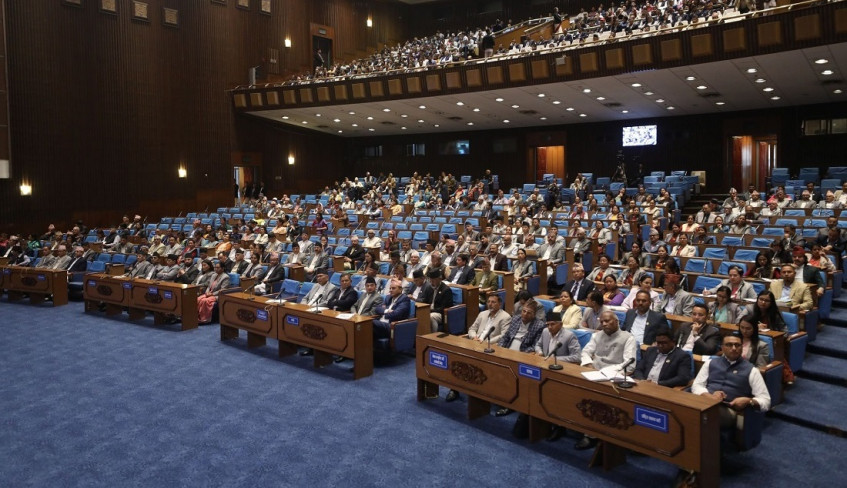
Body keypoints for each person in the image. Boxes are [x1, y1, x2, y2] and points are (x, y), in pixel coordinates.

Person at [575, 311, 637, 450]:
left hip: (614, 377)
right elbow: (585, 352)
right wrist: (588, 364)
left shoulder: (628, 338)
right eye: (602, 322)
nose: (604, 324)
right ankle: (583, 429)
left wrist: (607, 373)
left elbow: (630, 364)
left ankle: (598, 435)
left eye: (607, 321)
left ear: (616, 321)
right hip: (593, 373)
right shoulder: (597, 335)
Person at [691, 333, 771, 434]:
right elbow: (697, 385)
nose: (733, 348)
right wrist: (708, 395)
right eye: (729, 345)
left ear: (742, 348)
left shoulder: (752, 370)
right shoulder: (710, 363)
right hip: (704, 401)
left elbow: (766, 401)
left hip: (728, 409)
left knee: (704, 415)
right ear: (722, 347)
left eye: (737, 345)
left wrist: (749, 401)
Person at [494, 300, 546, 417]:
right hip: (508, 350)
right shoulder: (516, 319)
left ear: (534, 315)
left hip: (523, 354)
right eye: (524, 311)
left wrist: (520, 355)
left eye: (529, 313)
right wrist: (500, 349)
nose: (525, 314)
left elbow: (535, 346)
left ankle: (509, 403)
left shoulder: (539, 325)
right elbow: (506, 336)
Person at [429, 269, 454, 333]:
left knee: (431, 316)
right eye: (430, 280)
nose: (431, 283)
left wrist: (430, 310)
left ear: (439, 279)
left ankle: (434, 335)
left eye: (433, 280)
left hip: (442, 313)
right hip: (431, 310)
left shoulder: (446, 290)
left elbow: (443, 308)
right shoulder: (430, 288)